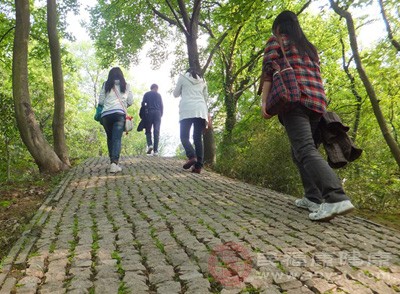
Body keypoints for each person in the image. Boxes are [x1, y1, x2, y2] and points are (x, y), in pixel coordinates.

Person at [260, 11, 355, 221]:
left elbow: (268, 72)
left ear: (278, 27)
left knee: (304, 149)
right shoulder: (310, 48)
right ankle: (312, 198)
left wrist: (264, 102)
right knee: (299, 151)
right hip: (317, 103)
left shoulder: (277, 41)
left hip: (294, 100)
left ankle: (335, 197)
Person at [173, 68, 210, 174]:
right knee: (198, 138)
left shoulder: (182, 77)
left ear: (187, 72)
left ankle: (192, 156)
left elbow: (175, 94)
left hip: (187, 109)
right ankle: (198, 166)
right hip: (200, 110)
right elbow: (205, 97)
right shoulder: (203, 81)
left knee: (184, 136)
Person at [98, 67, 133, 173]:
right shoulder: (126, 85)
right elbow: (130, 101)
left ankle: (112, 162)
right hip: (119, 114)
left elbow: (101, 101)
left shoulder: (106, 84)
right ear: (121, 75)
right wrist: (124, 104)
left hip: (106, 115)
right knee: (117, 138)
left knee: (110, 137)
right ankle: (114, 163)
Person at [141, 84, 163, 156]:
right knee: (156, 131)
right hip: (157, 113)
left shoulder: (147, 94)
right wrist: (160, 114)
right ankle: (156, 151)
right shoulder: (159, 95)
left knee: (148, 130)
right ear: (156, 88)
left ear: (151, 88)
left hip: (149, 113)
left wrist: (144, 111)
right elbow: (161, 106)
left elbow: (143, 103)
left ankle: (150, 145)